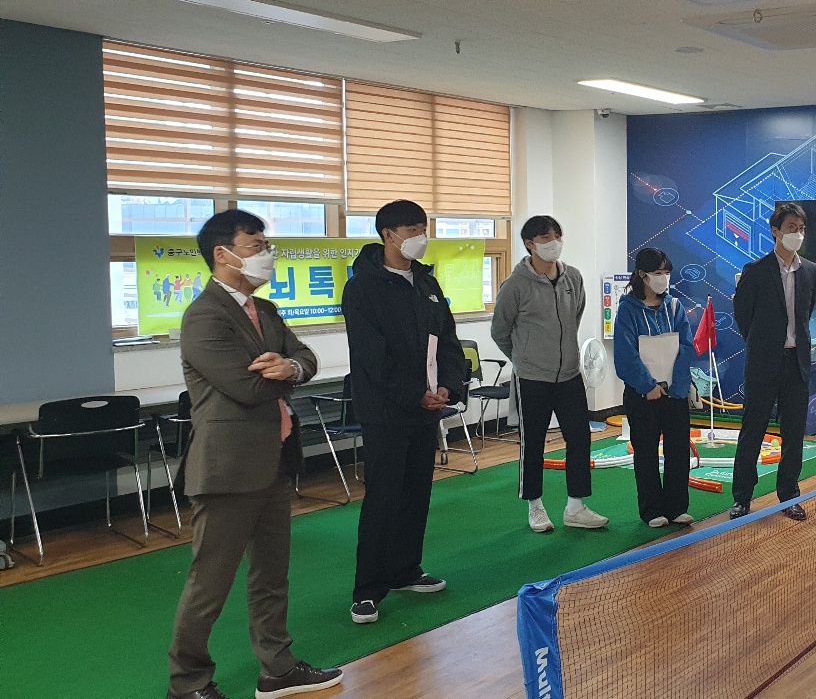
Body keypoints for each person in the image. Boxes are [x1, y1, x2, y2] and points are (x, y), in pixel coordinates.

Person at [168, 209, 341, 699]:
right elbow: (245, 387)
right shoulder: (203, 316)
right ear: (223, 254)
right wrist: (285, 373)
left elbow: (306, 358)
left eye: (267, 245)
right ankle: (187, 683)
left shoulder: (264, 310)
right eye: (256, 245)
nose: (266, 254)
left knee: (271, 575)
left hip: (274, 459)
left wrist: (290, 366)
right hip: (228, 467)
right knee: (210, 583)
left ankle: (278, 668)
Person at [342, 199, 465, 624]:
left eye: (423, 229)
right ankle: (368, 589)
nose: (420, 238)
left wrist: (448, 385)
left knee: (416, 493)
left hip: (426, 409)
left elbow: (447, 340)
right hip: (386, 411)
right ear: (388, 235)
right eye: (412, 230)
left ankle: (406, 569)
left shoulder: (426, 283)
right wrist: (414, 394)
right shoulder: (363, 287)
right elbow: (372, 356)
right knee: (384, 497)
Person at [491, 215, 609, 533]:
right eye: (545, 238)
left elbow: (575, 317)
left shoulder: (573, 278)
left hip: (569, 375)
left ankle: (576, 506)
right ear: (530, 244)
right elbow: (500, 331)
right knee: (534, 444)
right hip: (532, 378)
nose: (553, 242)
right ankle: (535, 506)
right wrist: (524, 359)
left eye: (557, 235)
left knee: (579, 439)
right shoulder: (515, 286)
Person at [729, 202, 816, 521]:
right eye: (791, 228)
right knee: (752, 432)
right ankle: (742, 498)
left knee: (793, 434)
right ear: (775, 231)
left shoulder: (811, 271)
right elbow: (743, 316)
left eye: (801, 228)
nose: (798, 234)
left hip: (797, 363)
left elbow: (807, 311)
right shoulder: (756, 271)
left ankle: (789, 495)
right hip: (763, 362)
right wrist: (764, 343)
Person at [613, 248, 696, 527]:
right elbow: (625, 354)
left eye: (666, 272)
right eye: (658, 273)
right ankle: (652, 510)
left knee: (678, 451)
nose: (664, 278)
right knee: (646, 453)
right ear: (642, 275)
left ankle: (677, 507)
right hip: (642, 394)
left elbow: (686, 347)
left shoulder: (675, 307)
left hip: (675, 392)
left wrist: (678, 386)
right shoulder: (628, 309)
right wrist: (647, 385)